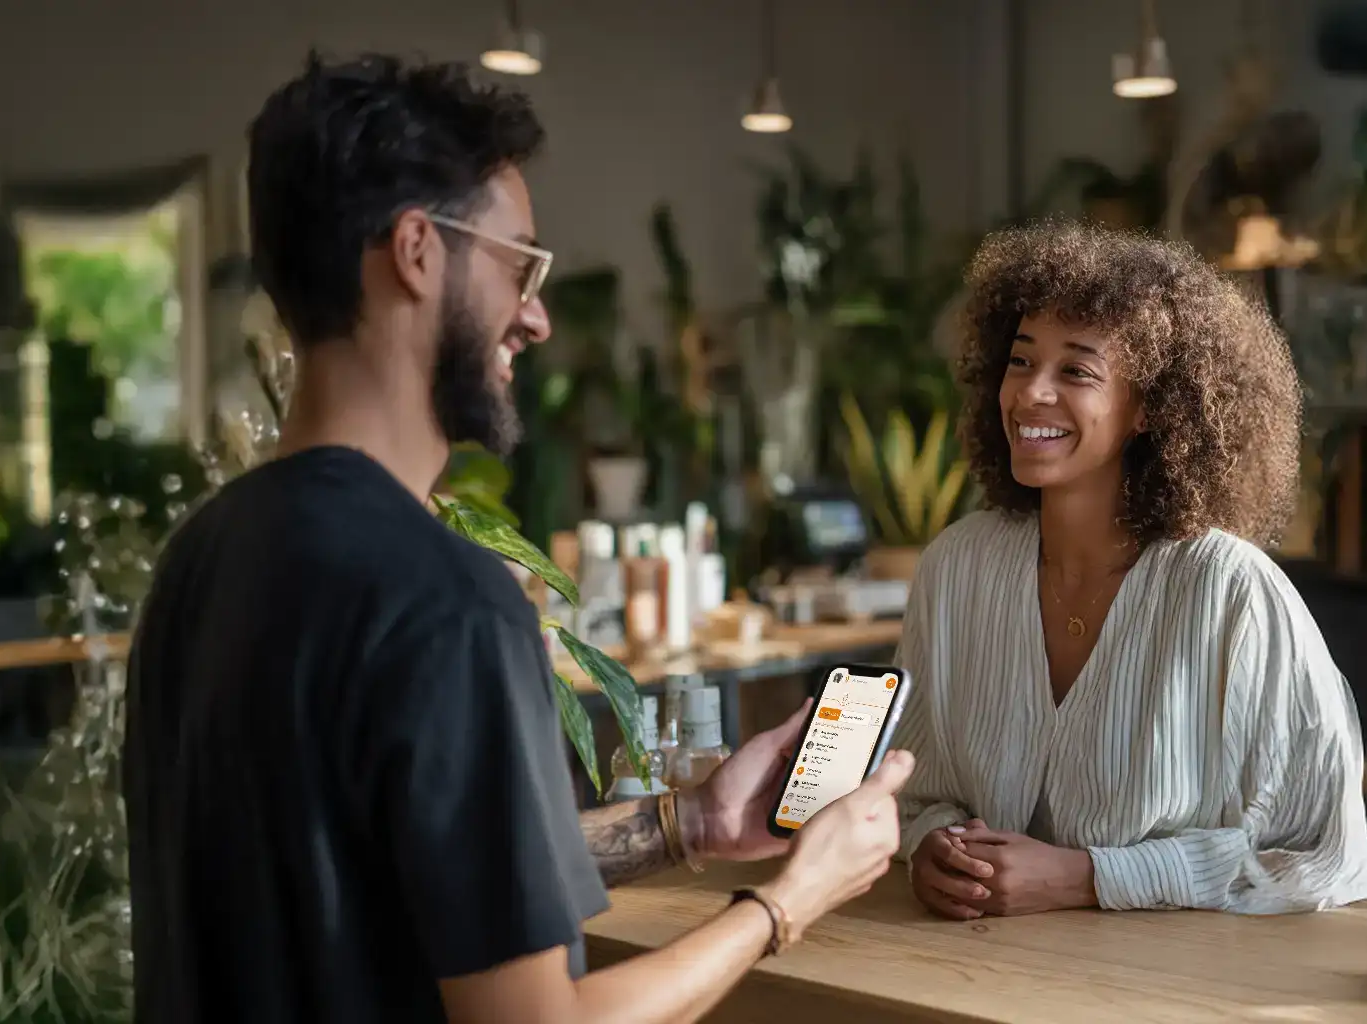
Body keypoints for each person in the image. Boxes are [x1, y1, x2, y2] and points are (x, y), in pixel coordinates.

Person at [124, 54, 913, 1024]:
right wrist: (789, 901)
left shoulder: (201, 559)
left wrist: (693, 822)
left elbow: (392, 877)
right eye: (519, 265)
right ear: (417, 251)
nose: (535, 316)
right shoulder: (444, 597)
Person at [890, 220, 1367, 920]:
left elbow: (1321, 858)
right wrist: (932, 845)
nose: (1030, 395)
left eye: (1076, 370)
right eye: (1021, 361)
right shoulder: (957, 569)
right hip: (974, 978)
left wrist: (1090, 877)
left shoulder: (1231, 593)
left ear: (1149, 408)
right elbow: (911, 791)